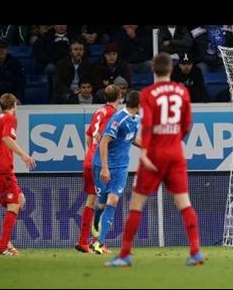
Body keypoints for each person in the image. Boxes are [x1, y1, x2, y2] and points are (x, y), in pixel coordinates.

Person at [105, 53, 204, 267]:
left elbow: (148, 123)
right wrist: (175, 140)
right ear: (170, 69)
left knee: (137, 203)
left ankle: (124, 255)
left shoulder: (148, 93)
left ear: (153, 71)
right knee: (184, 202)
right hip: (175, 153)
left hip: (155, 154)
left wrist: (146, 151)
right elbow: (187, 123)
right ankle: (195, 252)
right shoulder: (182, 91)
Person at [90, 91, 141, 254]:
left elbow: (131, 138)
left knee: (113, 201)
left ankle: (100, 243)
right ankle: (96, 219)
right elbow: (104, 142)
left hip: (120, 167)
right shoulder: (119, 119)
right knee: (101, 204)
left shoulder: (137, 119)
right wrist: (105, 167)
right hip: (103, 165)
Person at [0, 93, 36, 255]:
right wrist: (24, 155)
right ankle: (3, 246)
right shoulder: (9, 118)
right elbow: (7, 139)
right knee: (14, 204)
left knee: (19, 199)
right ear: (14, 105)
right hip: (2, 168)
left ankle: (4, 241)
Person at [75, 85, 122, 253]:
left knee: (92, 200)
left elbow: (89, 136)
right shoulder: (113, 114)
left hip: (89, 160)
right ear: (120, 96)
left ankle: (83, 241)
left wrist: (91, 153)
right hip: (100, 163)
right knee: (103, 201)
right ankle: (98, 243)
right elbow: (100, 136)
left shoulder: (98, 112)